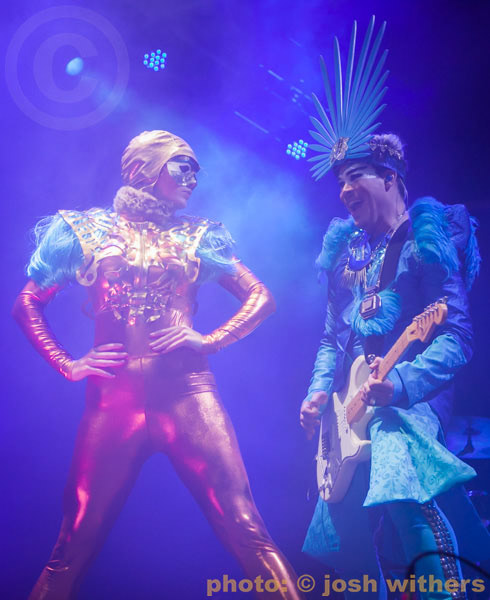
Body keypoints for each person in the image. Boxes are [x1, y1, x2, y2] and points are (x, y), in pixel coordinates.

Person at [13, 130, 304, 600]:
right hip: (113, 402)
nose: (194, 177)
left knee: (246, 527)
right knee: (72, 543)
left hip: (188, 396)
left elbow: (261, 296)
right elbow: (27, 302)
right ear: (145, 169)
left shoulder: (197, 234)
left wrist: (210, 340)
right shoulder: (86, 229)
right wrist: (68, 363)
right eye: (182, 165)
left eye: (196, 168)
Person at [299, 17, 489, 600]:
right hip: (350, 403)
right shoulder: (346, 251)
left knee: (400, 472)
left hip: (413, 395)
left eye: (354, 176)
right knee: (345, 534)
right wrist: (318, 393)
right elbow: (332, 337)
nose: (343, 190)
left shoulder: (429, 234)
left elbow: (457, 336)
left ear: (390, 176)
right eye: (338, 180)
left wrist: (402, 383)